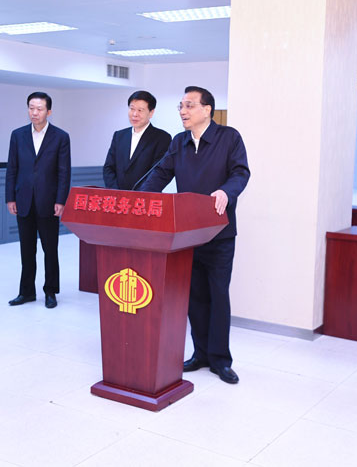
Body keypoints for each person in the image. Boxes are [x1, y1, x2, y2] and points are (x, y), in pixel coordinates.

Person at [139, 86, 250, 384]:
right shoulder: (179, 142)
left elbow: (241, 173)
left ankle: (220, 360)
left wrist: (226, 191)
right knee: (195, 296)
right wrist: (140, 199)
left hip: (219, 234)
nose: (183, 111)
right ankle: (200, 354)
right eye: (181, 106)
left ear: (207, 109)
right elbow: (160, 174)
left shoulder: (229, 138)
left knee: (218, 295)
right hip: (187, 235)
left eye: (189, 105)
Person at [5, 92, 71, 309]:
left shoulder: (60, 137)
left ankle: (50, 291)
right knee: (27, 249)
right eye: (31, 108)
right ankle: (26, 292)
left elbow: (64, 172)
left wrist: (61, 200)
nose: (34, 112)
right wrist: (10, 197)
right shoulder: (18, 135)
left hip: (48, 201)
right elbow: (12, 168)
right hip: (23, 200)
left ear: (48, 111)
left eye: (39, 109)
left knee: (50, 249)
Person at [103, 90, 171, 190]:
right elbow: (109, 168)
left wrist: (138, 195)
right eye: (132, 109)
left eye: (140, 110)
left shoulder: (162, 138)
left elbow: (157, 172)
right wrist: (116, 192)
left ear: (151, 113)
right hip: (118, 196)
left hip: (145, 196)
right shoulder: (119, 135)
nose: (135, 114)